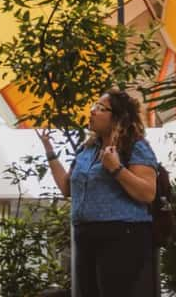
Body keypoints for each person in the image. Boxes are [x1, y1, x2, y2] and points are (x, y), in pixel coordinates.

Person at [38, 90, 158, 297]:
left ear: (119, 117)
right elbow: (67, 189)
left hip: (122, 236)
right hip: (86, 235)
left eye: (101, 108)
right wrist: (49, 152)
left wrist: (117, 169)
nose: (92, 112)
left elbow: (148, 193)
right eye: (94, 106)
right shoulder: (87, 150)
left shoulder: (135, 147)